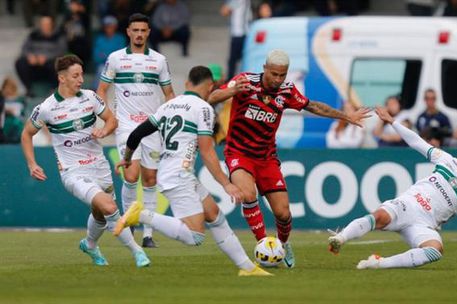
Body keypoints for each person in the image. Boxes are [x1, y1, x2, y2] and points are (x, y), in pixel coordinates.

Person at [208, 49, 371, 268]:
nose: (277, 79)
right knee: (248, 194)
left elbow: (313, 106)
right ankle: (266, 245)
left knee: (283, 214)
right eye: (273, 74)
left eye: (281, 75)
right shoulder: (245, 82)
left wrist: (346, 116)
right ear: (265, 68)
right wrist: (232, 90)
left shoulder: (287, 91)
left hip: (266, 158)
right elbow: (212, 97)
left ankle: (283, 245)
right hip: (239, 153)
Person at [113, 66, 271, 276]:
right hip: (178, 175)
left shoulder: (168, 105)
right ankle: (141, 215)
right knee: (195, 236)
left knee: (215, 216)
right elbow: (207, 152)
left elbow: (136, 134)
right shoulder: (203, 108)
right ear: (210, 86)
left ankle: (248, 268)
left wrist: (126, 158)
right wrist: (227, 183)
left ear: (188, 83)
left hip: (175, 172)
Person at [328, 106, 457, 271]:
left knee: (435, 251)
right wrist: (392, 121)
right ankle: (340, 238)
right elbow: (416, 141)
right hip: (408, 205)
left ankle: (379, 263)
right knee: (379, 216)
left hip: (424, 225)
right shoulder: (446, 160)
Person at [20, 55, 151, 267]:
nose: (81, 79)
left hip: (99, 165)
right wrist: (32, 164)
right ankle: (138, 253)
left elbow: (112, 120)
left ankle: (89, 245)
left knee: (100, 214)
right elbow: (26, 134)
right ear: (62, 78)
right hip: (73, 172)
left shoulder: (90, 97)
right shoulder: (47, 108)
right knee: (109, 206)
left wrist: (104, 130)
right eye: (75, 75)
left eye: (81, 74)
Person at [97, 13, 176, 248]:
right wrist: (109, 119)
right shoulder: (116, 59)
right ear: (128, 32)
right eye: (135, 30)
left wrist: (168, 118)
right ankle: (130, 221)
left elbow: (169, 94)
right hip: (127, 126)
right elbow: (101, 90)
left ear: (149, 32)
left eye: (143, 30)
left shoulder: (159, 61)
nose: (139, 34)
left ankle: (148, 234)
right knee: (131, 176)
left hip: (152, 127)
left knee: (150, 179)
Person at [15, 15, 67, 97]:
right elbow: (24, 49)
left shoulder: (59, 35)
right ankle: (29, 89)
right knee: (20, 62)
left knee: (56, 63)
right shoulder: (33, 35)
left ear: (52, 24)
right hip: (34, 64)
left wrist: (46, 58)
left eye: (47, 24)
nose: (45, 26)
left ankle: (54, 89)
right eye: (43, 24)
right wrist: (30, 56)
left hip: (50, 64)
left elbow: (61, 51)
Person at [92, 16, 127, 89]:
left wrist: (105, 55)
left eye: (111, 26)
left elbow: (121, 56)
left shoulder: (120, 38)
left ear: (115, 27)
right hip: (103, 65)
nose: (109, 28)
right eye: (107, 26)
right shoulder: (99, 39)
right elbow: (96, 57)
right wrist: (110, 56)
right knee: (101, 69)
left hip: (118, 66)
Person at [220, 0, 252, 80]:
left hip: (240, 34)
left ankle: (231, 81)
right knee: (237, 59)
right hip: (242, 33)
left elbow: (224, 11)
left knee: (233, 60)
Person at [0, 77, 26, 143]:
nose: (8, 90)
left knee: (16, 123)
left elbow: (20, 115)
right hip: (4, 122)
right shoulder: (2, 100)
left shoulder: (20, 101)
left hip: (15, 123)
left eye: (10, 88)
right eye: (6, 88)